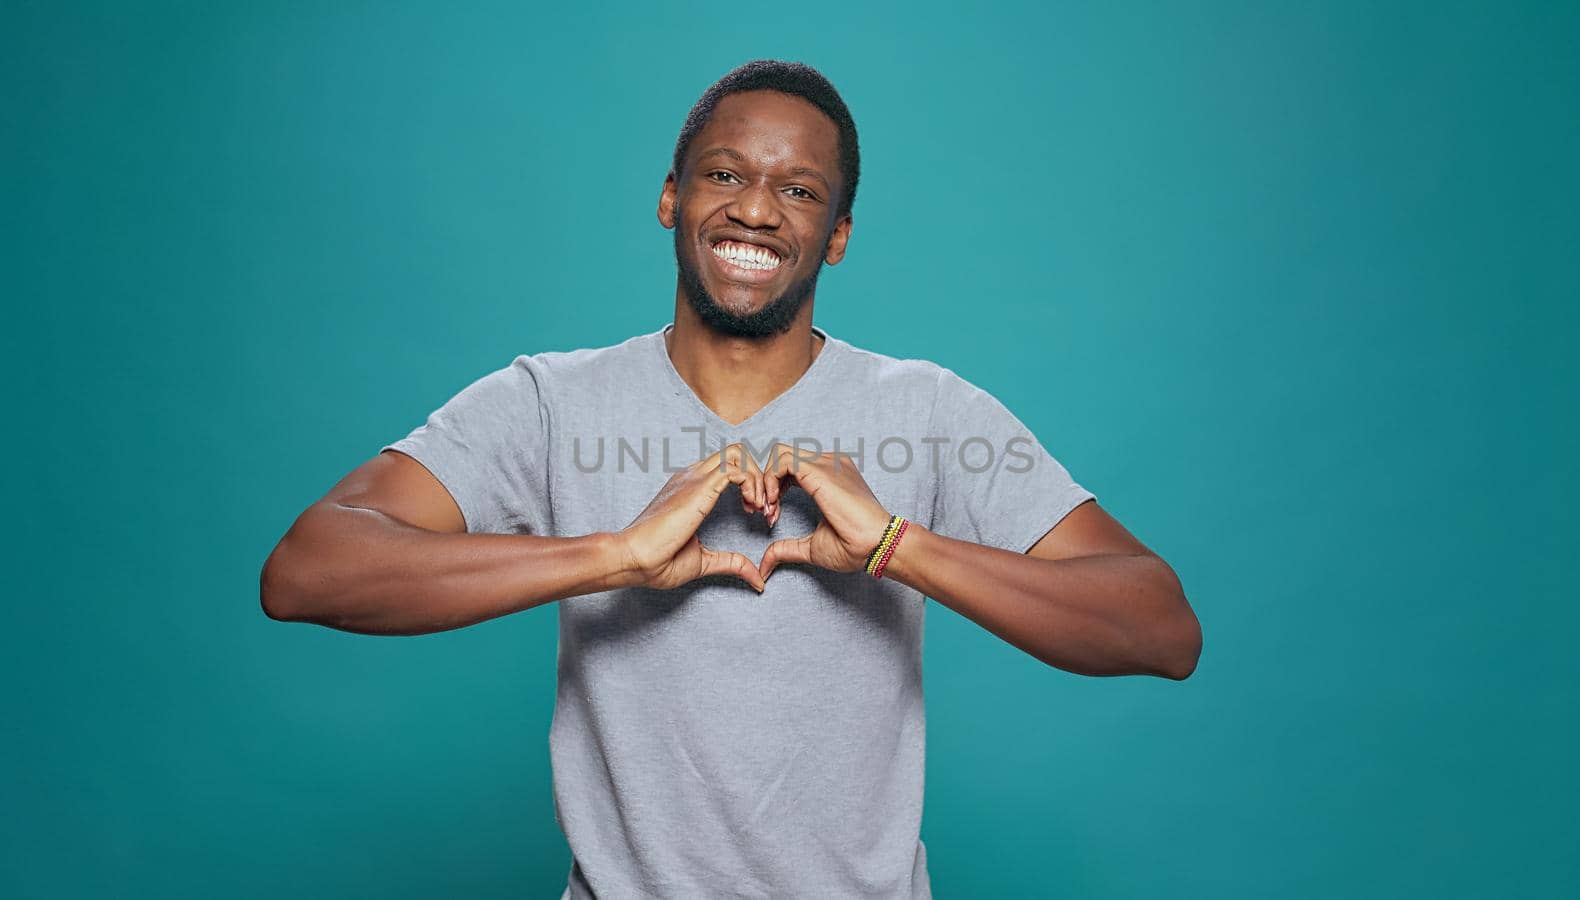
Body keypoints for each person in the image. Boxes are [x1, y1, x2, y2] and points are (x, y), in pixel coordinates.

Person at [261, 59, 1202, 900]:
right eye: (725, 174)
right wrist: (616, 556)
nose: (755, 209)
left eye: (798, 190)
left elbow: (1159, 626)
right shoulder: (546, 403)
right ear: (670, 196)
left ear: (835, 235)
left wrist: (893, 546)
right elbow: (309, 571)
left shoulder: (932, 412)